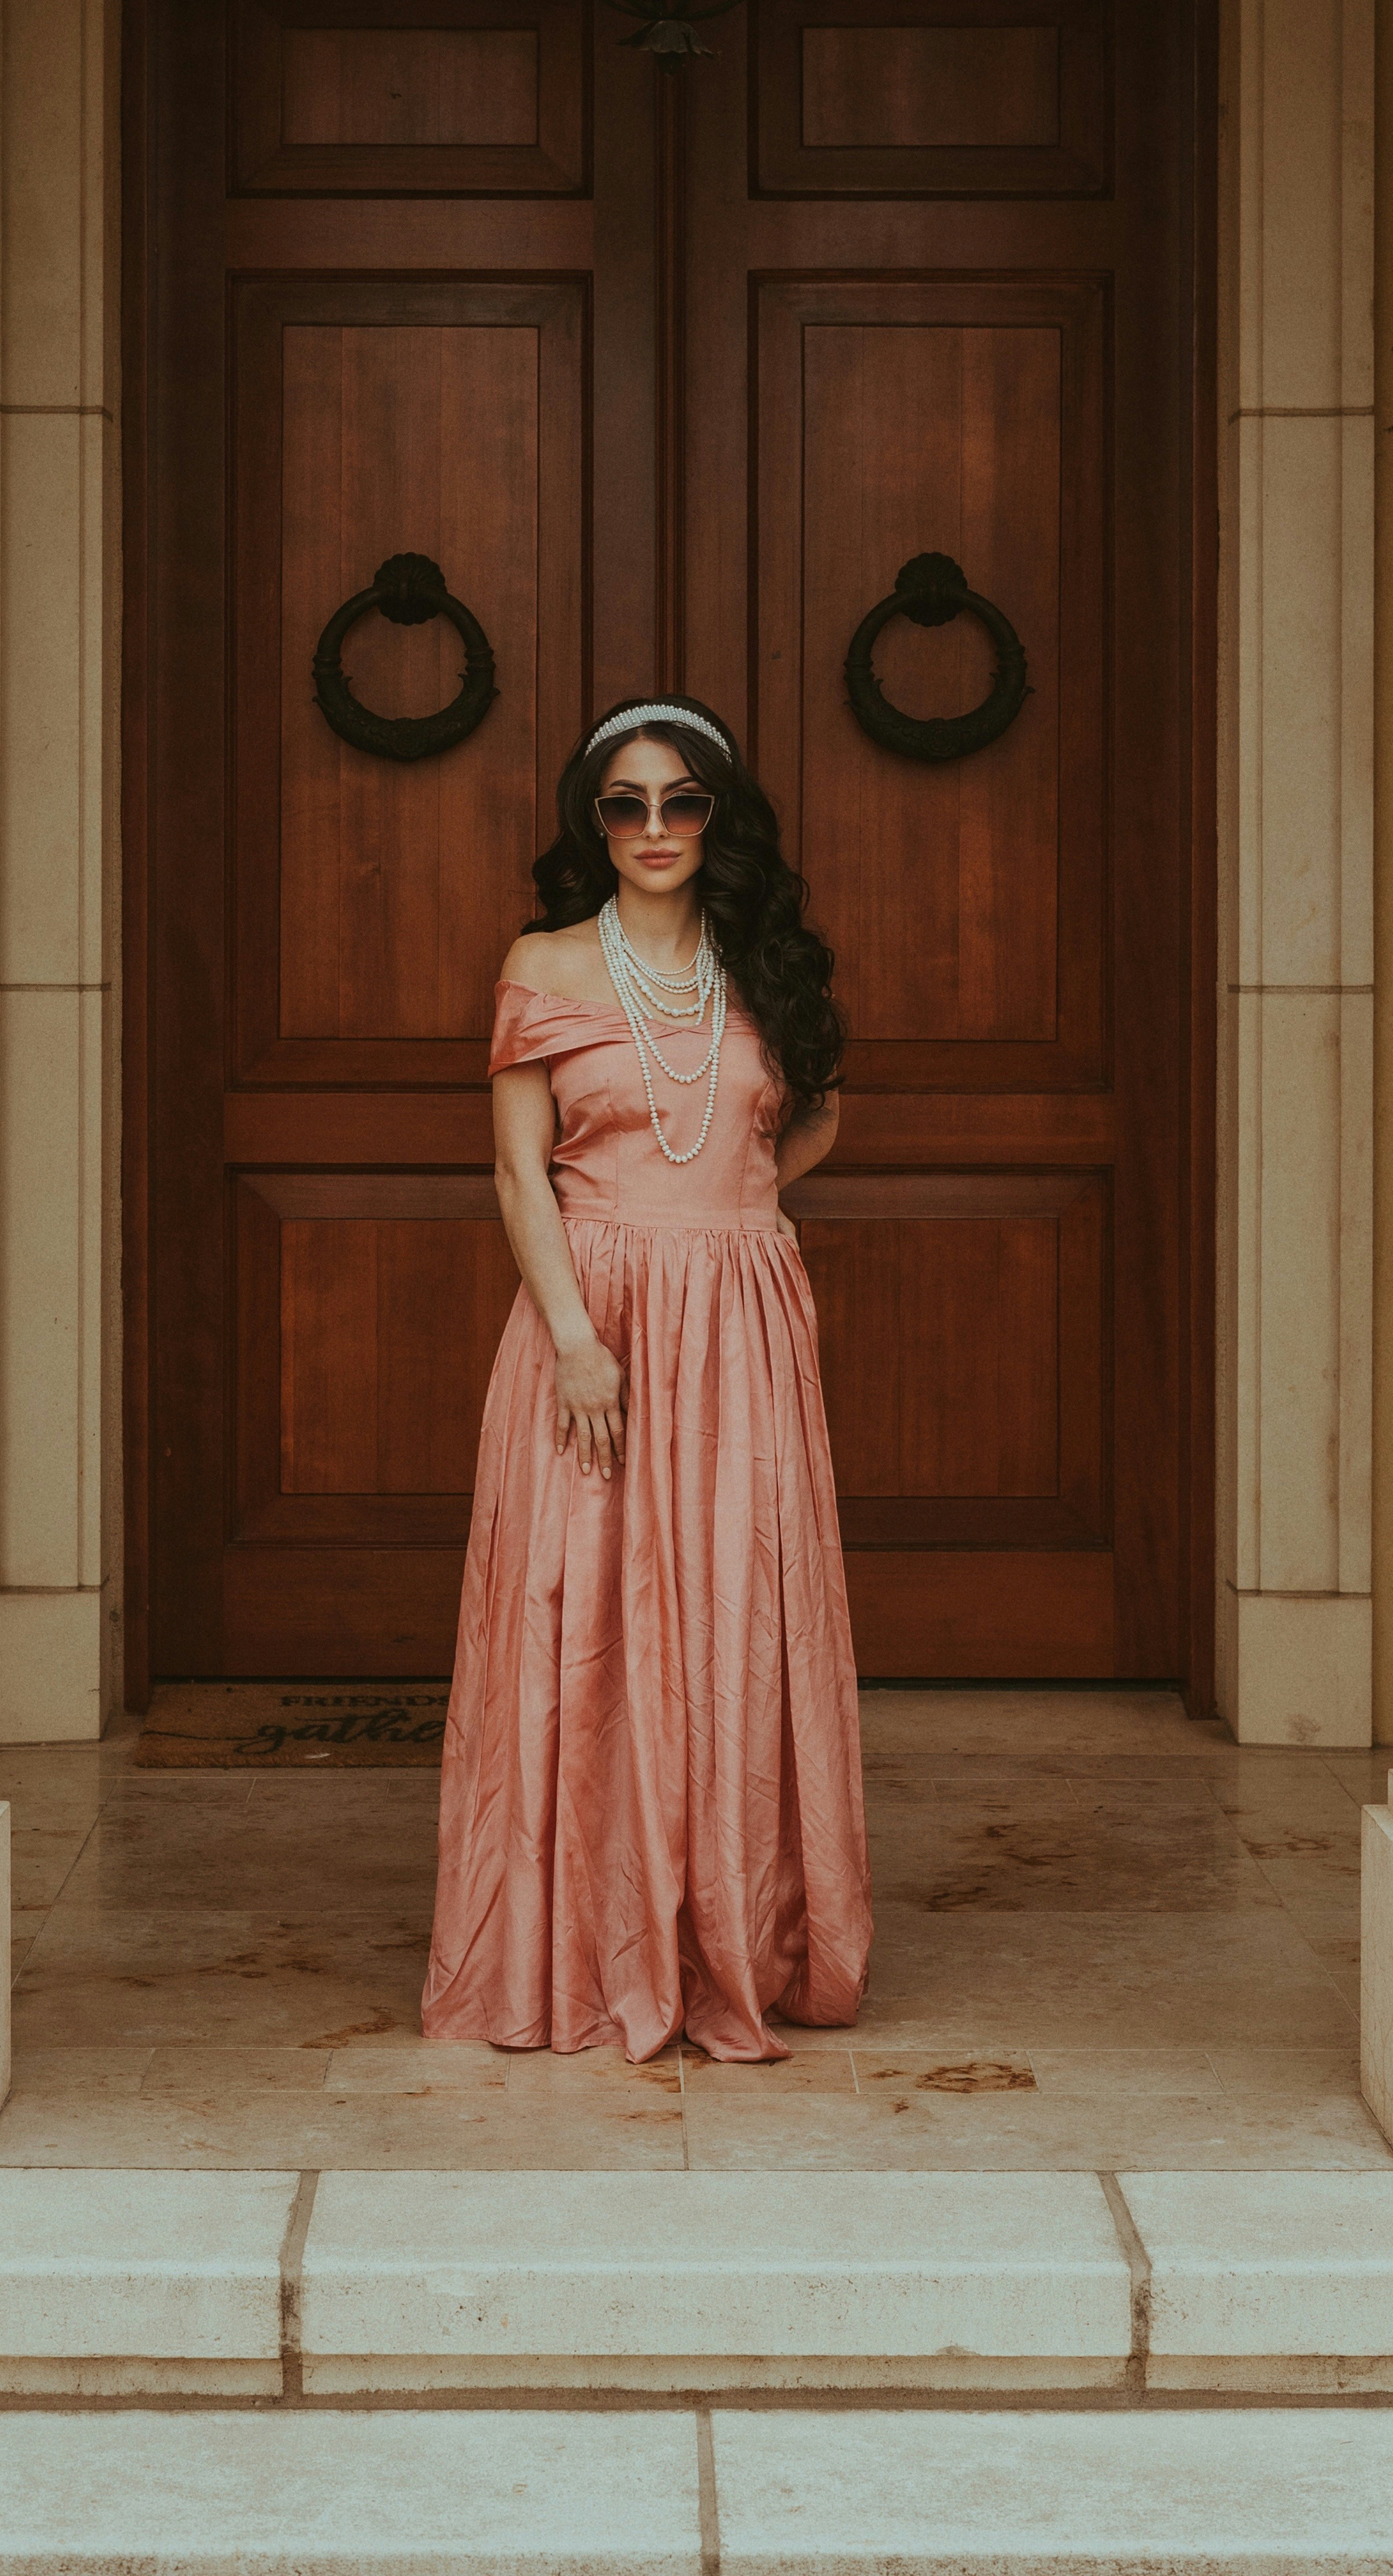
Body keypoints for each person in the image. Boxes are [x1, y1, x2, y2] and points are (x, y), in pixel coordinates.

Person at [422, 695, 872, 2062]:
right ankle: (572, 1948)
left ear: (716, 817)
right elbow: (516, 1169)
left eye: (680, 802)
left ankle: (724, 1937)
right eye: (626, 804)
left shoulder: (762, 969)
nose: (655, 827)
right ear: (593, 823)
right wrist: (573, 1329)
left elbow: (817, 1116)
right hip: (587, 1327)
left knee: (734, 1625)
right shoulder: (546, 964)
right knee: (582, 1628)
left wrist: (728, 1217)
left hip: (736, 1330)